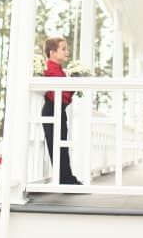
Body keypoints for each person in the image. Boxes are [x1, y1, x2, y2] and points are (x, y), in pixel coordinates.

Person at [41, 36, 82, 185]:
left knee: (62, 144)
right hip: (52, 108)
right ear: (52, 52)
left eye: (67, 48)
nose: (67, 51)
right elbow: (63, 94)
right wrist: (72, 86)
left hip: (60, 109)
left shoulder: (59, 70)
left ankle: (67, 178)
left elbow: (66, 94)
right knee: (56, 145)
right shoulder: (49, 68)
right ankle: (64, 179)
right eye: (63, 49)